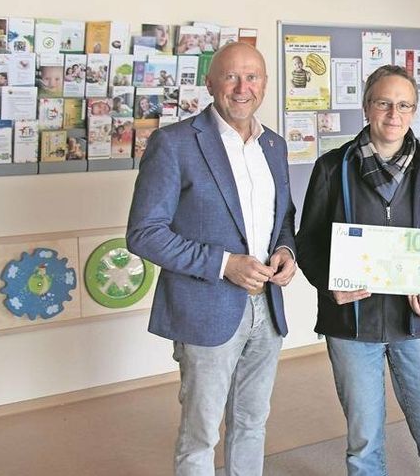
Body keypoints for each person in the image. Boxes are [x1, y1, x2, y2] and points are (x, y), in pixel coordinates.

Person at [127, 42, 297, 476]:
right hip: (206, 309)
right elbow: (144, 234)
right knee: (201, 433)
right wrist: (225, 264)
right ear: (210, 83)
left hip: (267, 307)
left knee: (252, 423)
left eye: (253, 77)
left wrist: (285, 250)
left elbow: (284, 217)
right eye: (231, 77)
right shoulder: (174, 143)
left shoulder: (273, 145)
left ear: (264, 84)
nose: (243, 88)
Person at [295, 64, 420, 476]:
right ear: (367, 107)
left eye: (404, 105)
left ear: (414, 112)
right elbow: (309, 242)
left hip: (418, 326)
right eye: (384, 103)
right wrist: (330, 284)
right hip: (352, 326)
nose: (394, 114)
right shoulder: (333, 167)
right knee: (364, 444)